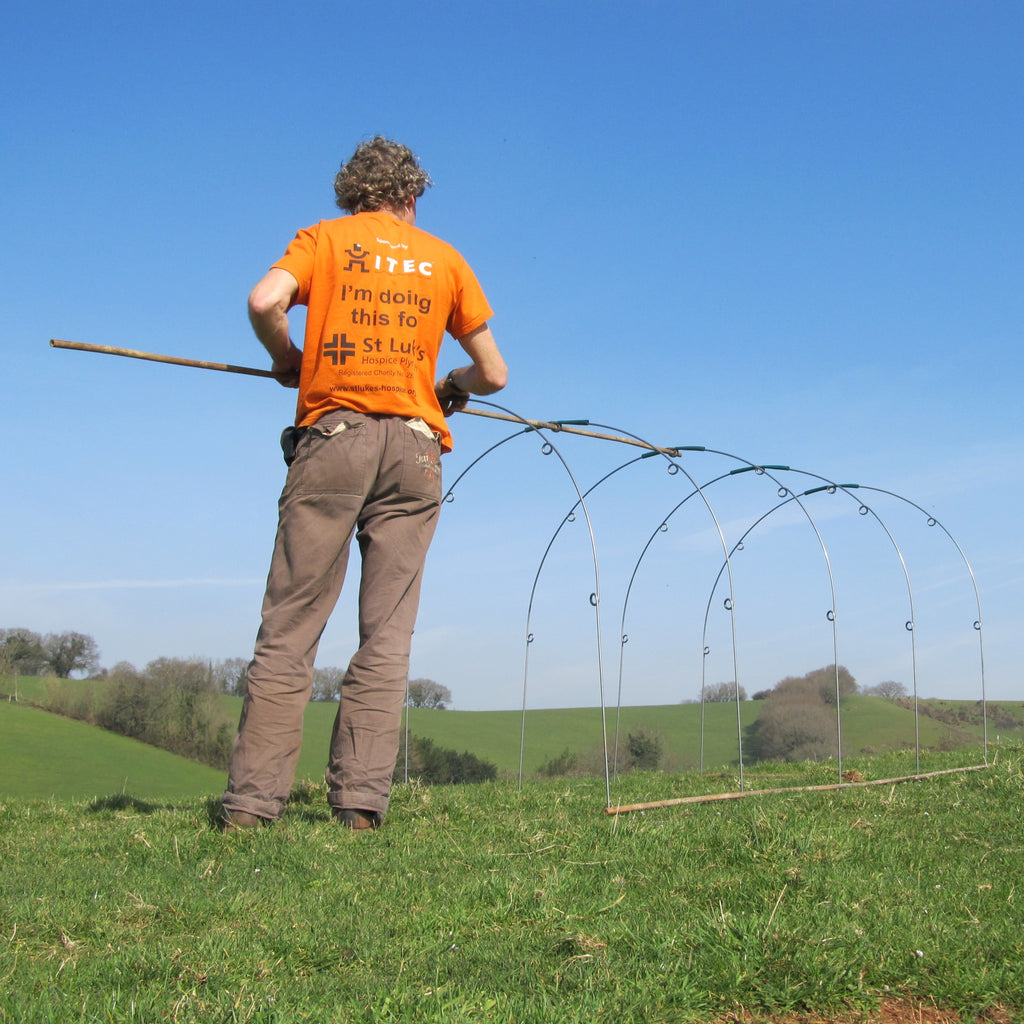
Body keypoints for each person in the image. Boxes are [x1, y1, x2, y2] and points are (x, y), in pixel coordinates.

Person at [221, 137, 507, 831]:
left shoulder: (324, 239)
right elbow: (494, 375)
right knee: (386, 635)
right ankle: (358, 808)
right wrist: (451, 387)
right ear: (412, 199)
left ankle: (253, 809)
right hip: (415, 450)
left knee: (290, 626)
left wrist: (287, 356)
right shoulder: (444, 259)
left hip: (335, 439)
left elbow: (266, 299)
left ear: (351, 195)